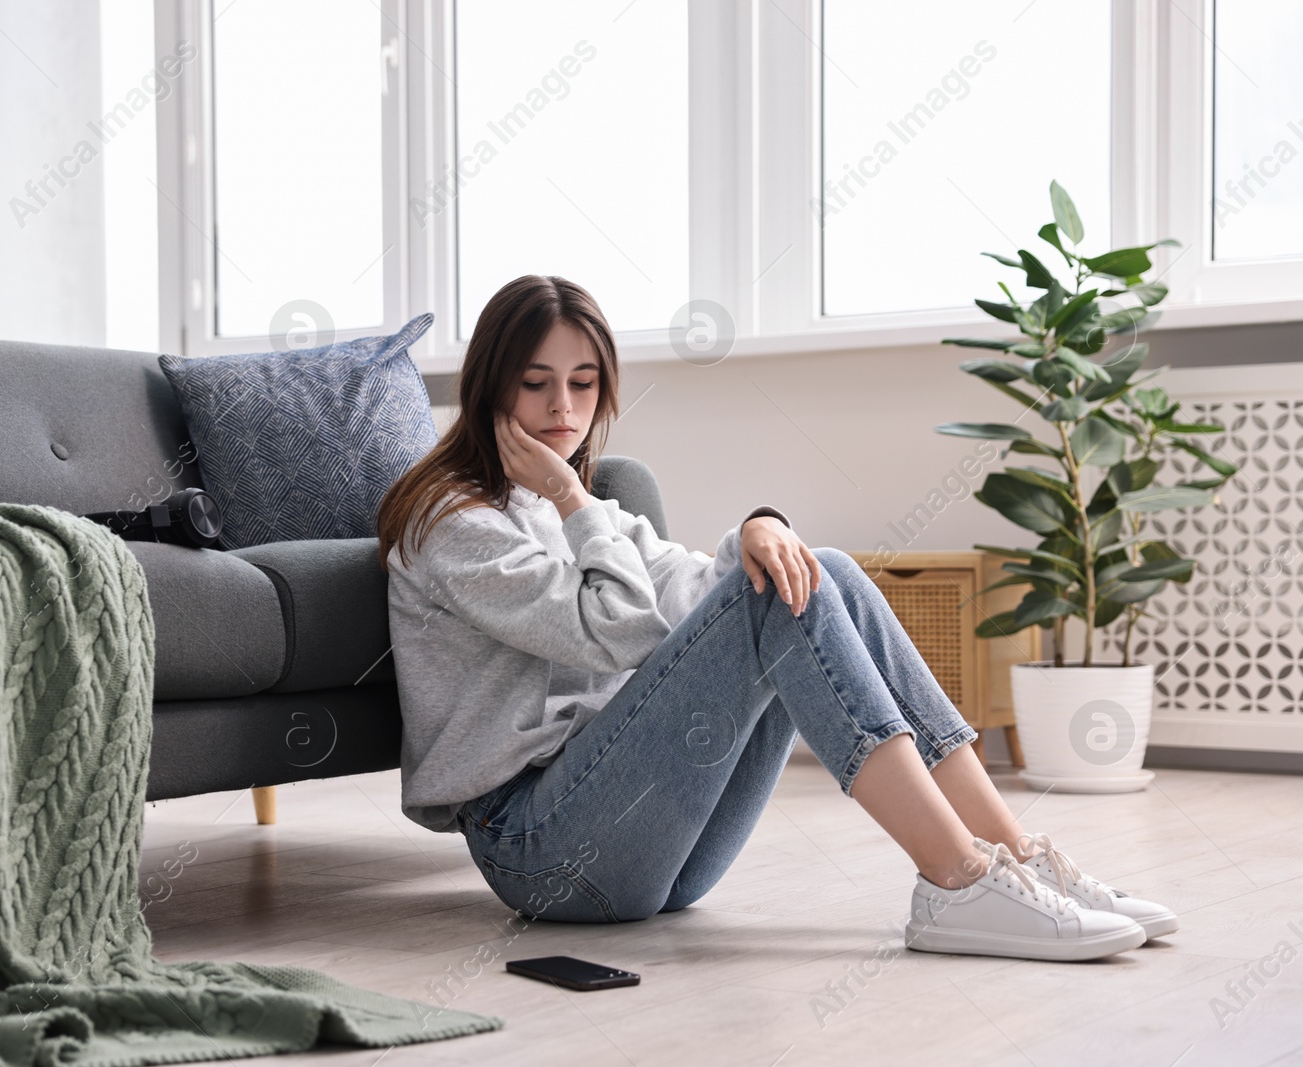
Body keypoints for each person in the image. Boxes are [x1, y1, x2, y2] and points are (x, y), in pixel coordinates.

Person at [375, 275, 1177, 962]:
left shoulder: (577, 510)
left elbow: (693, 586)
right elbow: (623, 624)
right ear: (490, 387)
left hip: (652, 857)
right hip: (541, 855)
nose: (563, 407)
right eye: (536, 382)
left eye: (583, 383)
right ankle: (958, 880)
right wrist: (574, 498)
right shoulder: (457, 523)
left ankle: (1017, 856)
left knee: (821, 568)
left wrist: (763, 523)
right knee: (777, 596)